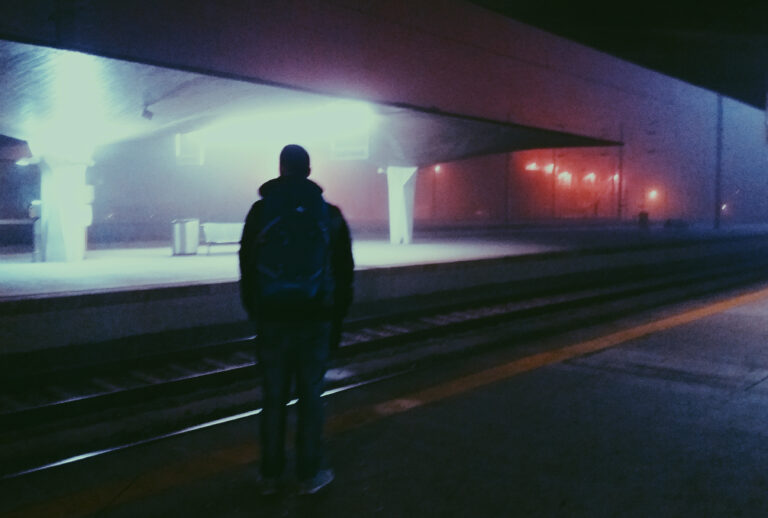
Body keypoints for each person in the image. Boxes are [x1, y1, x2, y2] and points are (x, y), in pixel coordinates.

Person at [239, 144, 354, 496]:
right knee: (311, 398)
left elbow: (246, 268)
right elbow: (344, 275)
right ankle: (309, 474)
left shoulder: (260, 212)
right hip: (315, 321)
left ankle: (270, 476)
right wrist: (334, 323)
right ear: (308, 169)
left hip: (272, 320)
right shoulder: (329, 214)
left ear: (281, 168)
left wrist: (257, 314)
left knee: (273, 400)